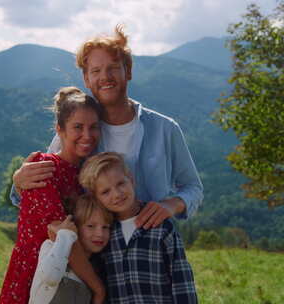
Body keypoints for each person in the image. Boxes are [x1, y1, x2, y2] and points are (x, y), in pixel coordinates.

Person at [12, 24, 203, 230]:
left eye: (113, 67)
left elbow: (193, 187)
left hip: (151, 246)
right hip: (94, 253)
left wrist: (172, 204)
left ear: (128, 71)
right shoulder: (77, 132)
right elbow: (42, 186)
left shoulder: (165, 129)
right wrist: (18, 182)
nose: (105, 76)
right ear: (87, 79)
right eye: (96, 70)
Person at [0, 87, 103, 304]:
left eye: (93, 127)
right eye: (77, 127)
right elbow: (65, 239)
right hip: (33, 276)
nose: (87, 135)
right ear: (59, 130)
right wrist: (98, 288)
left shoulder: (87, 173)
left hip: (70, 282)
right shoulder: (43, 168)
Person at [79, 152, 198, 304]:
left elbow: (182, 281)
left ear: (131, 180)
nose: (116, 194)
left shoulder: (160, 226)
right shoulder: (103, 233)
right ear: (96, 198)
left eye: (121, 183)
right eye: (105, 192)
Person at [29, 194, 113, 304]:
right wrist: (65, 235)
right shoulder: (51, 246)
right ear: (75, 226)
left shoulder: (95, 270)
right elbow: (51, 277)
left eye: (105, 227)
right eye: (90, 226)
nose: (100, 234)